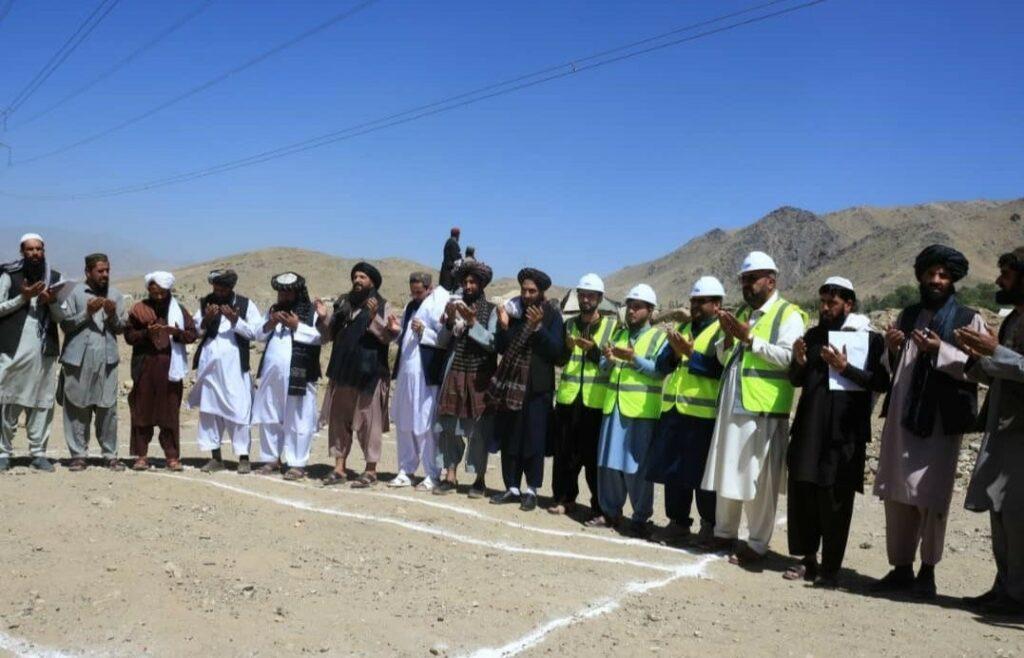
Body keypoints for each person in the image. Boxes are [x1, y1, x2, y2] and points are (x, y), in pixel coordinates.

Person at [872, 245, 986, 599]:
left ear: (952, 280)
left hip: (938, 422)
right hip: (902, 419)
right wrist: (892, 348)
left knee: (931, 498)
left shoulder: (968, 319)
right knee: (898, 496)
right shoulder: (907, 316)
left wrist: (942, 351)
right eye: (931, 274)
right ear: (920, 276)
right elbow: (891, 368)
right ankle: (901, 568)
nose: (936, 280)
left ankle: (928, 572)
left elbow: (978, 368)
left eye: (943, 275)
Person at [702, 251, 807, 565]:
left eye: (752, 279)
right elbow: (726, 359)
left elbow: (789, 358)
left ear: (770, 281)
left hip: (763, 406)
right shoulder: (745, 313)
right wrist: (727, 338)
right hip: (735, 402)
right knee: (728, 469)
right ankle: (724, 532)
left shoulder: (788, 314)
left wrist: (750, 340)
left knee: (759, 480)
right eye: (743, 280)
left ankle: (758, 543)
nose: (746, 285)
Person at [785, 277, 888, 587]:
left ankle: (831, 567)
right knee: (803, 491)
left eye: (832, 303)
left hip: (845, 432)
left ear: (849, 305)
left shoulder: (868, 338)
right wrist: (799, 362)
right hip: (809, 427)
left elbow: (880, 382)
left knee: (835, 497)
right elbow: (795, 380)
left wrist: (846, 369)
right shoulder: (813, 335)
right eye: (823, 302)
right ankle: (807, 559)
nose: (826, 308)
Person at [957, 247, 1024, 615]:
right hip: (1002, 428)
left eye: (1008, 275)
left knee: (1017, 515)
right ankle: (1006, 588)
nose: (999, 281)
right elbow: (1000, 371)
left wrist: (995, 350)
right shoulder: (1013, 319)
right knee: (1000, 513)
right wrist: (972, 355)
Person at [647, 276, 725, 547]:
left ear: (717, 305)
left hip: (702, 413)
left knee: (703, 473)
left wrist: (691, 354)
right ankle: (678, 522)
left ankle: (709, 525)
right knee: (674, 471)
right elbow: (662, 364)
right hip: (674, 408)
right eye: (693, 301)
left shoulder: (720, 331)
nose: (695, 306)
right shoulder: (684, 327)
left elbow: (719, 369)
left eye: (701, 301)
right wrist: (675, 354)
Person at [592, 283, 671, 537]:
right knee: (609, 464)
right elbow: (605, 367)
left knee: (636, 466)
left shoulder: (659, 337)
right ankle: (611, 512)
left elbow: (659, 371)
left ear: (650, 311)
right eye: (630, 307)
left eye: (637, 308)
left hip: (640, 411)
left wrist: (632, 358)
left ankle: (640, 517)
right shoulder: (620, 335)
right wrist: (607, 358)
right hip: (613, 406)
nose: (631, 312)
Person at [318, 262, 401, 488]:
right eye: (355, 276)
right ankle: (339, 467)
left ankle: (371, 470)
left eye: (363, 277)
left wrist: (374, 317)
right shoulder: (344, 303)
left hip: (370, 373)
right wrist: (323, 318)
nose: (357, 280)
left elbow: (386, 337)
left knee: (368, 422)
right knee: (338, 420)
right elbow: (328, 336)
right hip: (342, 370)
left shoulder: (383, 305)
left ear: (372, 282)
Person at [489, 268, 564, 511]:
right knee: (511, 437)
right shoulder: (514, 312)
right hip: (511, 386)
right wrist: (503, 327)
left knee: (534, 439)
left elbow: (558, 353)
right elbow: (503, 348)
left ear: (541, 292)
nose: (527, 294)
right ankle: (511, 487)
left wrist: (539, 328)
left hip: (538, 389)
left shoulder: (552, 316)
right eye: (524, 290)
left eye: (532, 291)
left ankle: (531, 489)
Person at [550, 273, 617, 518]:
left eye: (590, 295)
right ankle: (564, 498)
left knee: (592, 458)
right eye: (582, 295)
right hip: (568, 398)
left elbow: (611, 363)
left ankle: (599, 506)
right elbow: (560, 360)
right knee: (564, 454)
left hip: (595, 401)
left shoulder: (611, 326)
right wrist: (566, 350)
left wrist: (594, 351)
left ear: (600, 298)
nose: (585, 299)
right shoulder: (568, 325)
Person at [0, 233, 65, 472]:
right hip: (13, 349)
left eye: (39, 249)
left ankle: (38, 453)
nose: (35, 253)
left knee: (42, 403)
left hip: (44, 351)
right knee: (7, 399)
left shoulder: (55, 279)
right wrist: (22, 298)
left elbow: (63, 318)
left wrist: (52, 302)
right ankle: (3, 452)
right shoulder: (9, 276)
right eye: (30, 249)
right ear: (22, 252)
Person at [433, 261, 498, 497]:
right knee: (449, 426)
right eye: (465, 282)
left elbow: (493, 343)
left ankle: (479, 479)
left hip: (480, 376)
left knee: (478, 430)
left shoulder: (491, 310)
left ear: (481, 285)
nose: (468, 286)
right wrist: (450, 322)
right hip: (455, 372)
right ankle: (450, 475)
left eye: (473, 282)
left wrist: (472, 323)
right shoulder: (455, 306)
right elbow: (442, 340)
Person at [188, 269, 262, 474]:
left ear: (231, 288)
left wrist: (235, 321)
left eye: (223, 289)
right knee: (210, 411)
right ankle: (216, 457)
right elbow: (196, 332)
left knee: (239, 410)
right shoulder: (206, 303)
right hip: (210, 367)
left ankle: (243, 458)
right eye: (216, 289)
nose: (218, 293)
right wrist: (206, 320)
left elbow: (255, 333)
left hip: (235, 368)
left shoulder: (246, 304)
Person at [59, 253, 127, 472]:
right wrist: (87, 313)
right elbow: (66, 325)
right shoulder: (72, 293)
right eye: (100, 271)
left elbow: (120, 328)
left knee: (108, 408)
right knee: (78, 407)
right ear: (88, 272)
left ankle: (110, 455)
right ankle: (78, 455)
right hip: (78, 360)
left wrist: (112, 314)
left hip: (107, 360)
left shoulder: (115, 295)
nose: (105, 275)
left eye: (107, 270)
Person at [252, 273, 323, 480]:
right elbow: (258, 334)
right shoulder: (273, 311)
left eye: (287, 292)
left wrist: (296, 326)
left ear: (297, 292)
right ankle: (271, 459)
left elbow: (320, 337)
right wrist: (270, 323)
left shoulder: (310, 312)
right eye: (280, 292)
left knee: (299, 418)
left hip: (300, 373)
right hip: (271, 374)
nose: (283, 296)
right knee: (270, 416)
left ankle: (297, 463)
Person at [125, 271, 198, 471]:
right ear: (148, 289)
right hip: (145, 367)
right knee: (142, 412)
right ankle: (141, 456)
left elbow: (193, 334)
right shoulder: (139, 310)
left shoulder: (179, 310)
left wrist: (177, 333)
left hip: (170, 369)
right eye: (154, 292)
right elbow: (129, 336)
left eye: (162, 293)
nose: (158, 296)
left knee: (169, 414)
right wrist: (146, 333)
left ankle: (172, 457)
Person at [389, 272, 450, 490]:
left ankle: (432, 474)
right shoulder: (410, 306)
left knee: (426, 425)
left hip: (426, 375)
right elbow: (406, 338)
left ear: (429, 288)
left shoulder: (438, 304)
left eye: (419, 292)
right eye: (413, 292)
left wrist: (424, 332)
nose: (416, 296)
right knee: (405, 423)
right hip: (407, 373)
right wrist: (397, 331)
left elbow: (445, 338)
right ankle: (406, 470)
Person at [439, 227, 462, 292]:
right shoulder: (453, 243)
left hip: (445, 270)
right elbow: (457, 260)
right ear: (458, 235)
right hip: (449, 273)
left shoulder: (448, 242)